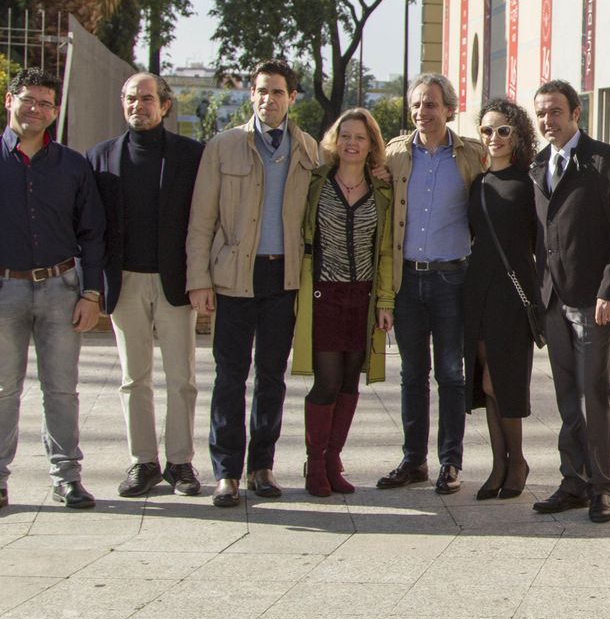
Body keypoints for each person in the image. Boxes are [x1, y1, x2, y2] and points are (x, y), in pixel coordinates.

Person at [187, 59, 319, 507]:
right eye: (261, 90)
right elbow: (202, 221)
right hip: (233, 278)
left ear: (292, 98)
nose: (269, 99)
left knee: (271, 377)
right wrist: (199, 279)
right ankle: (226, 471)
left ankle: (261, 465)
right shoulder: (223, 147)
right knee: (229, 375)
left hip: (283, 278)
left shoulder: (309, 150)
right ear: (252, 95)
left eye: (278, 92)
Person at [86, 73, 206, 498]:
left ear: (165, 105)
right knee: (133, 378)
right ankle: (143, 462)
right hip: (125, 282)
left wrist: (202, 278)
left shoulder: (192, 155)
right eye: (131, 99)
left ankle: (180, 463)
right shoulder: (99, 157)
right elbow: (91, 226)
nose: (139, 105)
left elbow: (203, 219)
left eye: (147, 99)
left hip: (175, 282)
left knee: (182, 378)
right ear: (123, 104)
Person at [529, 80, 610, 523]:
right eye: (541, 113)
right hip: (553, 300)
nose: (547, 121)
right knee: (566, 394)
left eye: (555, 112)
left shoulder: (602, 160)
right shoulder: (539, 165)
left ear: (576, 113)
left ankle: (601, 486)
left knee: (594, 392)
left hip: (593, 301)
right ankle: (572, 480)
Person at [0, 68, 107, 511]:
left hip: (61, 288)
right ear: (9, 100)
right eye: (28, 100)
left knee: (61, 389)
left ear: (56, 111)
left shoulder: (72, 164)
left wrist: (91, 294)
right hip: (4, 290)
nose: (36, 109)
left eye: (45, 103)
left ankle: (67, 477)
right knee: (3, 390)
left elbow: (93, 232)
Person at [378, 74, 485, 495]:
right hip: (407, 280)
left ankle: (450, 462)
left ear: (449, 109)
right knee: (411, 375)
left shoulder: (471, 156)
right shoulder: (395, 155)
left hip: (452, 278)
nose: (424, 112)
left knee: (451, 374)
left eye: (432, 104)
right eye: (418, 105)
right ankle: (413, 460)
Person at [288, 109, 393, 497]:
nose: (352, 143)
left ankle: (334, 460)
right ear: (335, 140)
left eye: (360, 138)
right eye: (345, 135)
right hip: (323, 294)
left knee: (351, 381)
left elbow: (383, 251)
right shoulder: (315, 182)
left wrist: (385, 301)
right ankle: (314, 464)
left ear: (371, 146)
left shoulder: (381, 189)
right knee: (327, 381)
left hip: (362, 296)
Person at [464, 98, 540, 500]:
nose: (494, 138)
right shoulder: (477, 183)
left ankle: (519, 461)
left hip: (514, 294)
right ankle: (499, 464)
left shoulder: (529, 183)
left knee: (503, 381)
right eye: (487, 131)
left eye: (503, 130)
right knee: (486, 383)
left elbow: (541, 244)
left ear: (517, 135)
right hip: (477, 290)